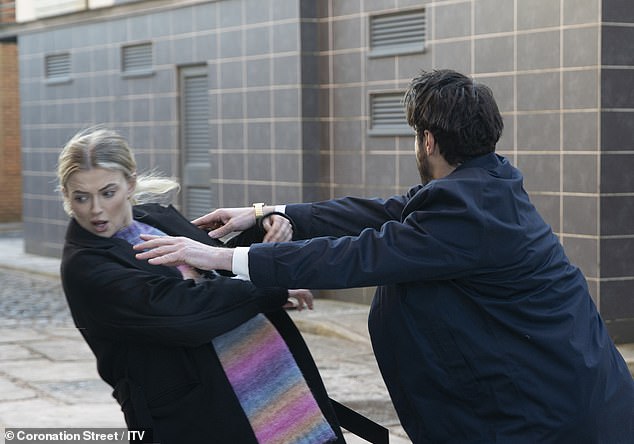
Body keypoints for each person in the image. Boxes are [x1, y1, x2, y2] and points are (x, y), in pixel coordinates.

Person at [135, 69, 634, 443]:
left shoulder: (466, 208)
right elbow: (381, 212)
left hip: (553, 419)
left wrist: (220, 260)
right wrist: (263, 211)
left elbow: (358, 255)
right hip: (571, 399)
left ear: (429, 140)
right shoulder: (487, 183)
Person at [57, 127, 346, 444]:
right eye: (81, 197)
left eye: (107, 192)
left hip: (274, 378)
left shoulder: (155, 217)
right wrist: (269, 287)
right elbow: (180, 311)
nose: (95, 209)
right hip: (202, 412)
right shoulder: (85, 266)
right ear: (67, 196)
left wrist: (264, 230)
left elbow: (214, 264)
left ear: (130, 183)